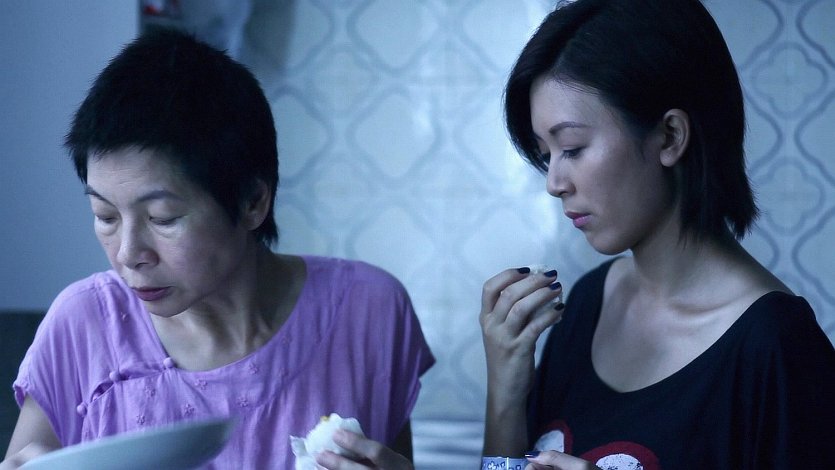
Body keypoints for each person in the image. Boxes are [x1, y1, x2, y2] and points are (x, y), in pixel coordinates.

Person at [1, 29, 434, 469]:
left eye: (162, 218)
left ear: (252, 201)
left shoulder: (370, 311)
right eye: (106, 216)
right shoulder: (83, 324)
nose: (129, 254)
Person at [479, 0, 835, 468]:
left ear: (669, 136)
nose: (554, 183)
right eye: (547, 155)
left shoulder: (777, 347)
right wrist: (505, 395)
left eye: (573, 147)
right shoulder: (588, 302)